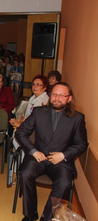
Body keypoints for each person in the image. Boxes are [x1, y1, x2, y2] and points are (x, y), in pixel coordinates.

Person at [16, 82, 88, 221]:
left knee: (65, 182)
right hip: (38, 156)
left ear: (69, 98)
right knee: (25, 174)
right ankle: (30, 214)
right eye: (54, 94)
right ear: (50, 96)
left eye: (62, 95)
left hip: (61, 161)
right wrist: (33, 151)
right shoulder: (38, 112)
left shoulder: (77, 118)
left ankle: (46, 217)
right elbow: (21, 133)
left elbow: (82, 144)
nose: (57, 98)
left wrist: (63, 155)